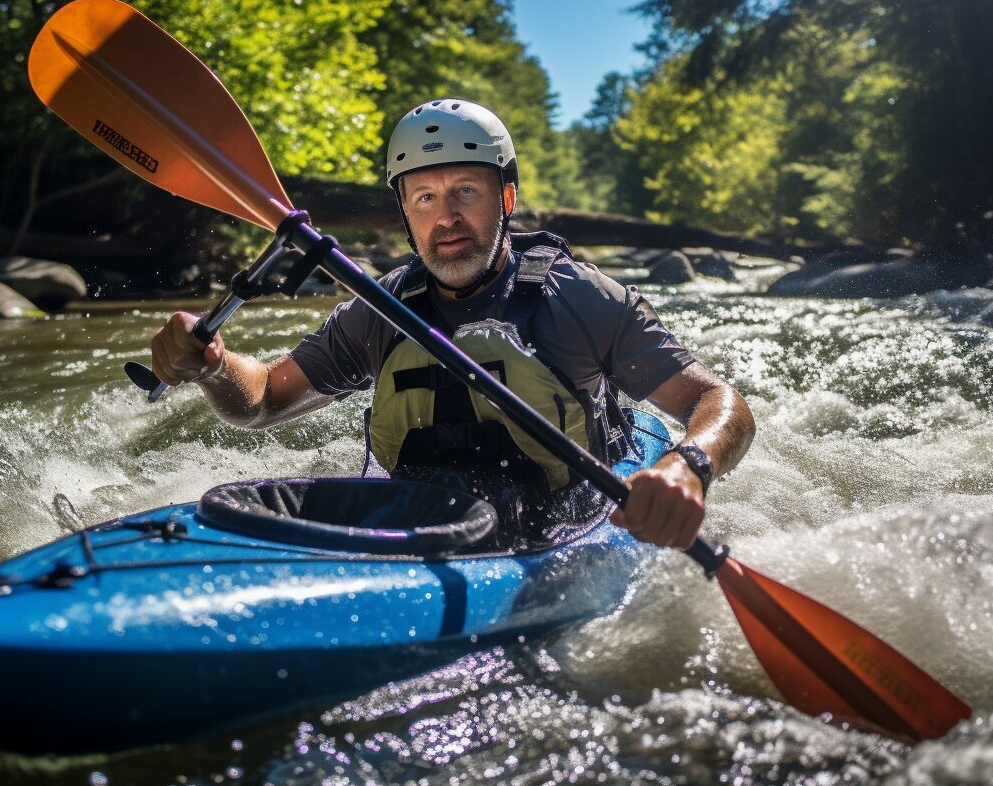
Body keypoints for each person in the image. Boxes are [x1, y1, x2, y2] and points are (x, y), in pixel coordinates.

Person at [151, 99, 754, 550]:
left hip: (565, 513)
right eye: (425, 198)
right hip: (433, 516)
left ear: (506, 199)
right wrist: (212, 365)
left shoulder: (579, 297)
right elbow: (260, 401)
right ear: (405, 214)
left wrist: (688, 465)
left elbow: (720, 402)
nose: (447, 218)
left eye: (466, 190)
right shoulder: (383, 308)